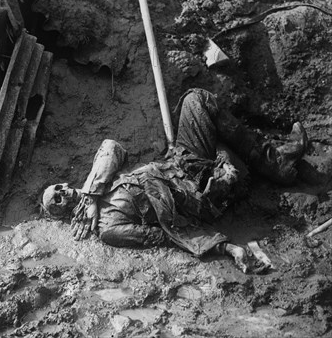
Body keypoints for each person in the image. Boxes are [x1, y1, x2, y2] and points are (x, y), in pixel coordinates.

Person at [41, 88, 308, 273]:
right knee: (225, 168)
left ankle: (276, 161)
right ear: (62, 214)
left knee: (196, 99)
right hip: (200, 193)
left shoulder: (97, 184)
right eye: (58, 198)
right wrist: (226, 248)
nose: (65, 190)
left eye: (59, 186)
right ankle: (255, 166)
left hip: (184, 161)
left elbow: (112, 147)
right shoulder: (107, 227)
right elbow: (166, 235)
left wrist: (91, 195)